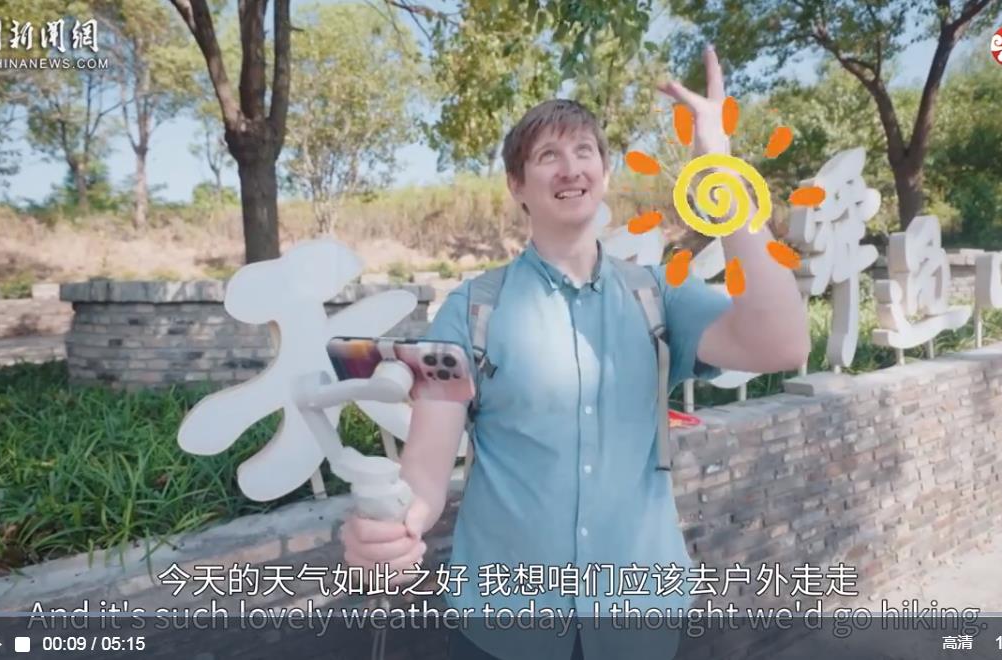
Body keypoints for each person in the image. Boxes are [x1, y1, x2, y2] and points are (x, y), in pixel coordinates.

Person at [341, 46, 810, 660]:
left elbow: (783, 342)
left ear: (604, 174)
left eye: (584, 151)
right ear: (518, 186)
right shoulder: (472, 310)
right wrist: (397, 524)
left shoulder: (658, 295)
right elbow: (427, 465)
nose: (570, 169)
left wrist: (717, 164)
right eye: (548, 156)